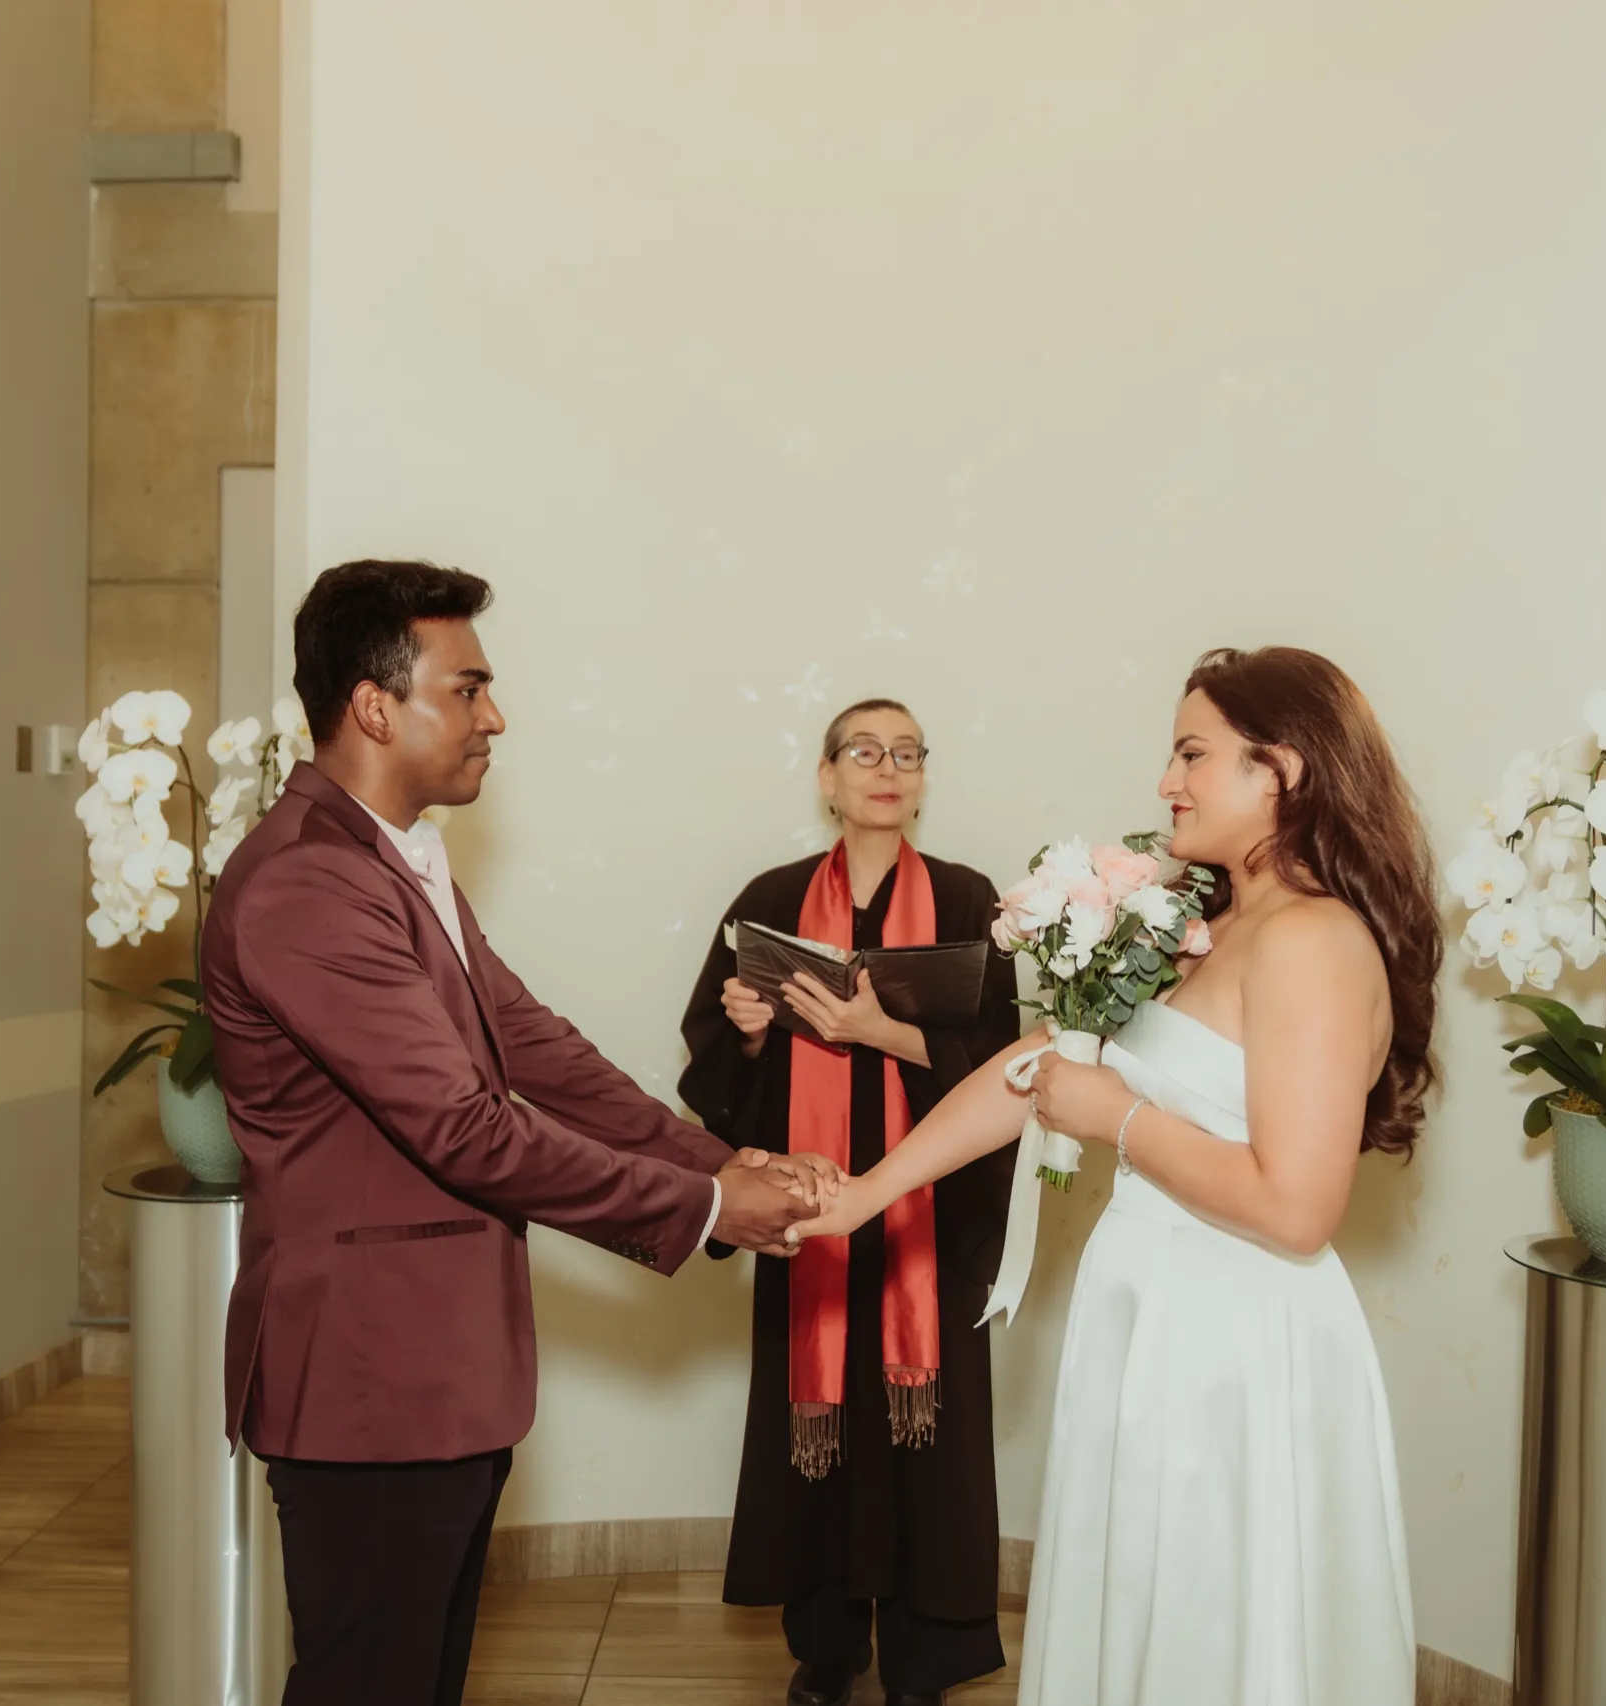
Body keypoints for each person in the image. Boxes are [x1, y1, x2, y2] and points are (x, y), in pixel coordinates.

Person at [201, 559, 827, 1706]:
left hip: (437, 1370)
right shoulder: (307, 884)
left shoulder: (387, 860)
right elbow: (466, 1127)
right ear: (377, 704)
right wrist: (701, 1208)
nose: (497, 714)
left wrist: (711, 1157)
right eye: (470, 686)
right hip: (369, 1374)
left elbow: (531, 1045)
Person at [790, 648, 1440, 1706]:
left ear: (1280, 770)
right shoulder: (1203, 926)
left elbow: (1298, 1205)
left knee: (1210, 1623)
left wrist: (1119, 1119)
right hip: (1152, 1311)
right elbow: (1034, 1064)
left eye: (1191, 752)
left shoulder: (1315, 940)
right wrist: (864, 1192)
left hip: (1235, 1340)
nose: (1165, 781)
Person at [680, 698, 1021, 1706]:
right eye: (864, 750)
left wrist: (878, 1030)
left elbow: (1007, 1066)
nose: (888, 766)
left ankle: (925, 1661)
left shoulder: (967, 901)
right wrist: (746, 1028)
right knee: (816, 1441)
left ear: (923, 778)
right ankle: (825, 1650)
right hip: (811, 1212)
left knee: (930, 1442)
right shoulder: (770, 901)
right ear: (826, 777)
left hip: (928, 1214)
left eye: (908, 752)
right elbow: (710, 1065)